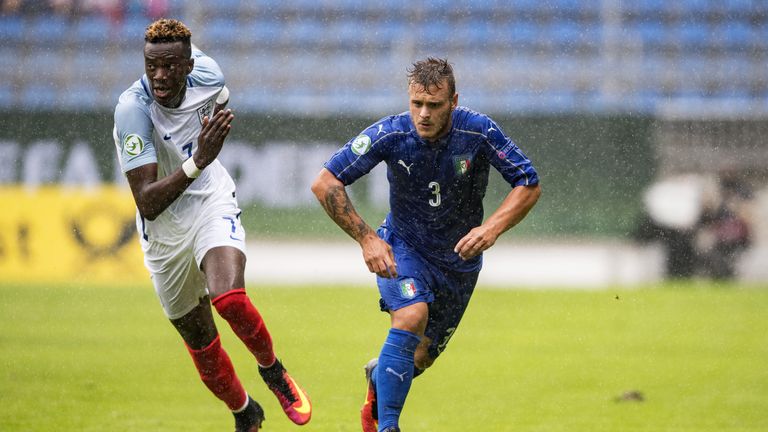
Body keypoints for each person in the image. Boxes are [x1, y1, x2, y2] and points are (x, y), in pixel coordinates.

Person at [311, 57, 541, 431]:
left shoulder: (478, 132)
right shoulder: (390, 133)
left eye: (434, 105)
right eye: (416, 103)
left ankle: (378, 381)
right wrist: (367, 238)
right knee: (411, 316)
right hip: (404, 247)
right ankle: (388, 427)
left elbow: (528, 183)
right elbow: (325, 182)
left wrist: (492, 229)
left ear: (453, 101)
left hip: (458, 262)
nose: (423, 114)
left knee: (420, 357)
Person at [112, 18, 311, 431]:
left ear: (188, 64)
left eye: (169, 66)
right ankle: (245, 412)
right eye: (151, 66)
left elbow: (218, 102)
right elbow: (147, 203)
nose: (159, 76)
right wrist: (197, 158)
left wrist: (202, 160)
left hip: (208, 201)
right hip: (163, 231)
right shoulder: (133, 110)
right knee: (201, 342)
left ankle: (274, 372)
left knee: (229, 299)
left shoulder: (210, 76)